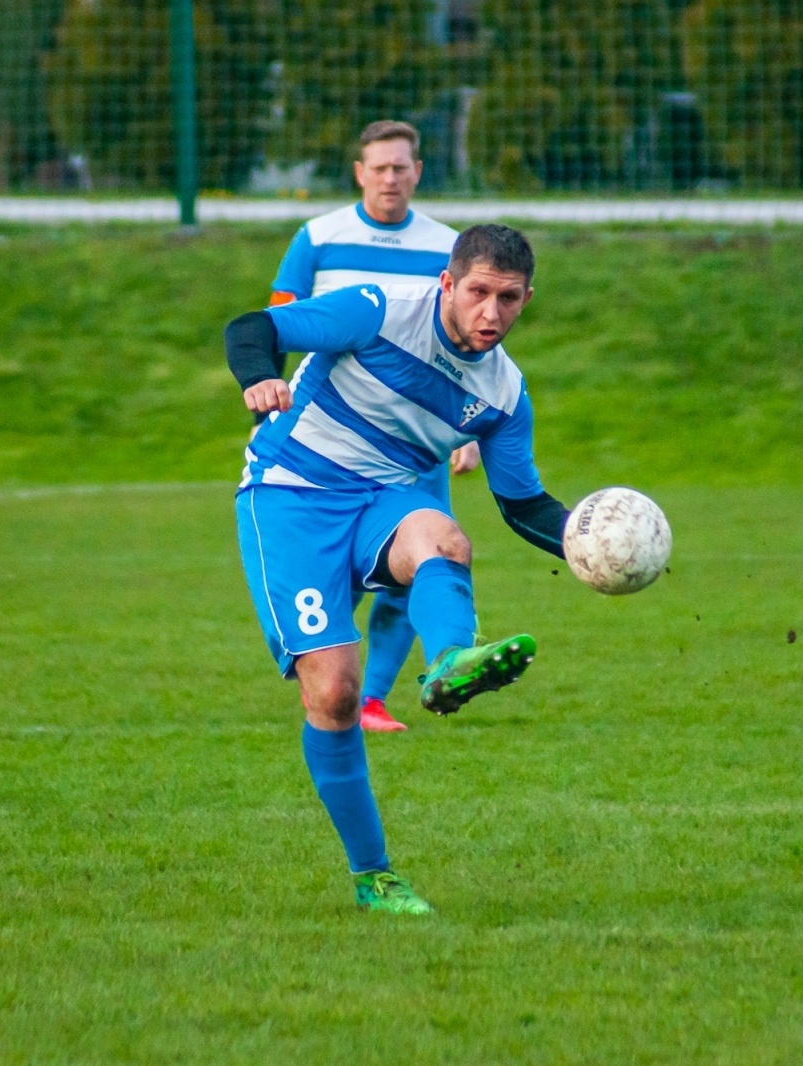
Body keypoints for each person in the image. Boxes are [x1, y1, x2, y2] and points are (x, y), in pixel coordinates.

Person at [226, 224, 572, 914]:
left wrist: (586, 546)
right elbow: (252, 326)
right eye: (478, 293)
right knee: (334, 694)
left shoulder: (504, 395)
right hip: (292, 493)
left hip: (384, 497)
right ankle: (373, 876)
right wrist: (261, 376)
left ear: (527, 299)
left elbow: (525, 505)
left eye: (508, 300)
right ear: (448, 283)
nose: (490, 315)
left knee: (445, 539)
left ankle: (449, 661)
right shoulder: (379, 309)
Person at [265, 121, 480, 733]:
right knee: (340, 569)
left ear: (418, 172)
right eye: (379, 167)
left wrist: (464, 434)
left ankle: (372, 701)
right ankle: (332, 678)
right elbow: (278, 320)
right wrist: (269, 403)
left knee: (420, 559)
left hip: (418, 439)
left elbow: (465, 346)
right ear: (359, 172)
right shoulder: (318, 237)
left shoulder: (450, 246)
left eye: (401, 167)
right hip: (327, 437)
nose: (390, 177)